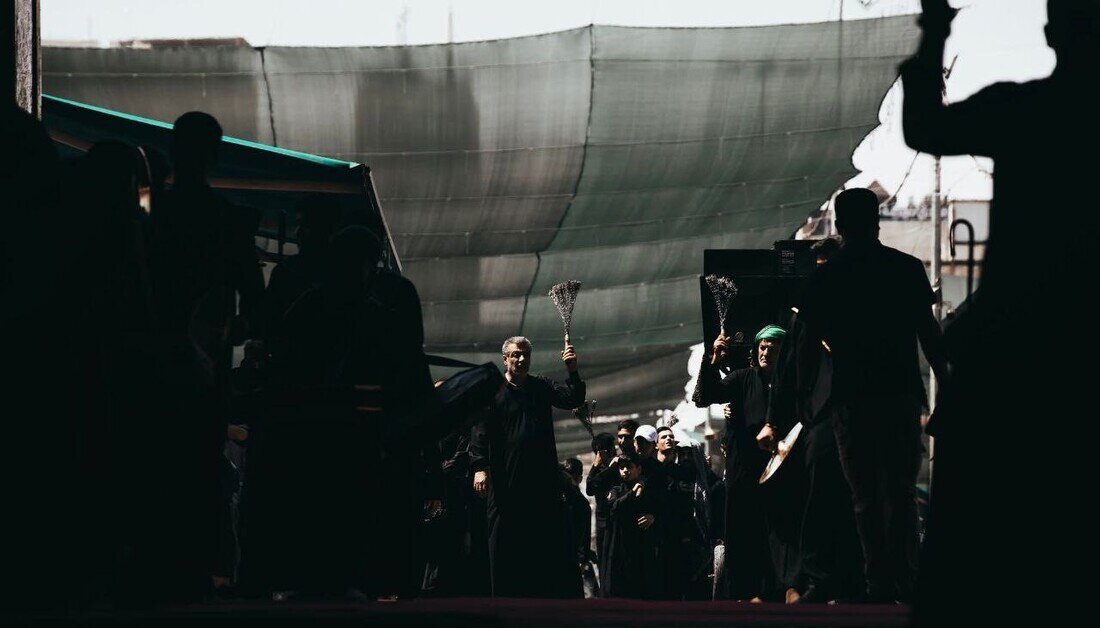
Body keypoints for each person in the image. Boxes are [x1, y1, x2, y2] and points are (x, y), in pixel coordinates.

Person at [901, 1, 1099, 621]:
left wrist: (935, 30)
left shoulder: (1023, 108)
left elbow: (923, 127)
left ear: (1051, 32)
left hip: (1012, 338)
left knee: (980, 515)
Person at [796, 188, 949, 603]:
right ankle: (907, 580)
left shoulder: (826, 277)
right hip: (901, 396)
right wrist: (946, 385)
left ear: (840, 225)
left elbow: (806, 345)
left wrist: (804, 401)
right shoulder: (906, 268)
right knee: (900, 492)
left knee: (864, 496)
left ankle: (877, 581)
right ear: (877, 222)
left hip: (852, 400)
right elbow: (930, 336)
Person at [469, 336, 585, 598]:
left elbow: (573, 398)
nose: (521, 359)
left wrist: (572, 370)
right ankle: (504, 605)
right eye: (516, 355)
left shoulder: (541, 386)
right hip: (505, 484)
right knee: (503, 545)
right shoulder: (493, 392)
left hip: (541, 484)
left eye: (526, 355)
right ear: (505, 359)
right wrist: (480, 467)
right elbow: (480, 432)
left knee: (540, 547)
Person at [695, 324, 787, 601]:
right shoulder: (742, 379)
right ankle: (744, 593)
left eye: (772, 349)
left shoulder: (790, 382)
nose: (765, 353)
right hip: (744, 471)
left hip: (780, 471)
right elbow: (706, 396)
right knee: (743, 531)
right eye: (762, 347)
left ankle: (779, 589)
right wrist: (713, 360)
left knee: (777, 532)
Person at [602, 455, 665, 599]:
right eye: (622, 468)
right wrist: (632, 493)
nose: (625, 470)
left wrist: (652, 517)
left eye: (629, 467)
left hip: (642, 545)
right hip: (621, 544)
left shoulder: (649, 490)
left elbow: (661, 510)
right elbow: (614, 508)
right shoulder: (616, 490)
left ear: (639, 469)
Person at [585, 432, 618, 592]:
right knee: (604, 562)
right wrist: (597, 466)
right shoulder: (601, 470)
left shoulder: (620, 466)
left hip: (617, 522)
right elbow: (590, 488)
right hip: (603, 524)